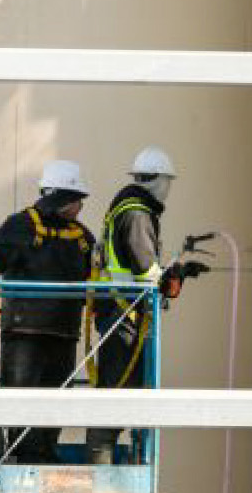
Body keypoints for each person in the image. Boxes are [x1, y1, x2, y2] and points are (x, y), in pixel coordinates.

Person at [85, 147, 207, 464]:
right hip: (123, 313)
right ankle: (100, 461)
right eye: (168, 182)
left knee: (121, 384)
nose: (168, 189)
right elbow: (146, 272)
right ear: (158, 181)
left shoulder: (127, 208)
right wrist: (174, 276)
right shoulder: (137, 213)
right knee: (119, 384)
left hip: (119, 309)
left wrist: (178, 272)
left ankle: (106, 454)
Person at [0, 160, 95, 464]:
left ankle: (43, 452)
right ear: (60, 197)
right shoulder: (23, 226)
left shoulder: (81, 236)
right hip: (29, 331)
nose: (79, 205)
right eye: (75, 199)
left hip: (57, 329)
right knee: (25, 395)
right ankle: (25, 454)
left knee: (53, 395)